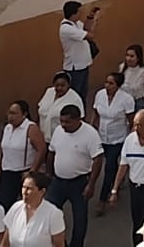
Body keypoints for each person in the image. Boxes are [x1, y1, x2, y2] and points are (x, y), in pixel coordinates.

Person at [45, 105, 103, 247]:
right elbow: (51, 153)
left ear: (78, 120)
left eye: (67, 122)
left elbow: (98, 159)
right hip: (57, 182)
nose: (63, 125)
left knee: (80, 218)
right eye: (62, 121)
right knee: (49, 213)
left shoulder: (90, 134)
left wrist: (91, 184)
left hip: (79, 182)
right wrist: (48, 175)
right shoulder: (58, 131)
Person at [89, 72, 133, 216]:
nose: (107, 86)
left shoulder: (126, 99)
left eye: (111, 83)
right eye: (106, 82)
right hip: (101, 136)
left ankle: (103, 198)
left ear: (118, 86)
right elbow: (95, 113)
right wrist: (91, 128)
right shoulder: (100, 95)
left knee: (109, 166)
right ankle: (116, 182)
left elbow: (131, 120)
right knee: (100, 163)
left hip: (118, 138)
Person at [0, 102, 46, 209]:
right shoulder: (7, 128)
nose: (11, 116)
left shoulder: (31, 128)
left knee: (28, 204)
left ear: (24, 114)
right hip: (7, 171)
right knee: (4, 204)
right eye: (9, 113)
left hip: (24, 172)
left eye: (14, 113)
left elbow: (41, 149)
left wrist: (32, 170)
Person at [0, 172, 64, 247]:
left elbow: (59, 245)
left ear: (42, 191)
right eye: (23, 187)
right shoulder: (15, 208)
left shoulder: (53, 214)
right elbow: (5, 242)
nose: (24, 192)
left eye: (29, 188)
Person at [59, 1, 99, 98]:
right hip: (75, 68)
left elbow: (85, 28)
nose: (80, 14)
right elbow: (89, 35)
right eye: (79, 12)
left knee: (83, 93)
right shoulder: (66, 28)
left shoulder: (75, 24)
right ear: (73, 14)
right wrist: (94, 25)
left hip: (82, 65)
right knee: (76, 95)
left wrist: (90, 17)